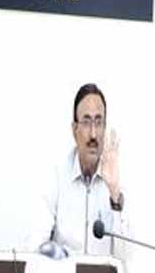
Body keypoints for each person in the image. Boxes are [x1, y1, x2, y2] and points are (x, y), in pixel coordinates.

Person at [26, 83, 128, 255]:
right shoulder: (56, 177)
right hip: (64, 272)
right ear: (74, 130)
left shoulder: (116, 179)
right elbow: (34, 246)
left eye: (99, 123)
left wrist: (115, 195)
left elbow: (126, 257)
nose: (93, 134)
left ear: (104, 128)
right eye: (86, 123)